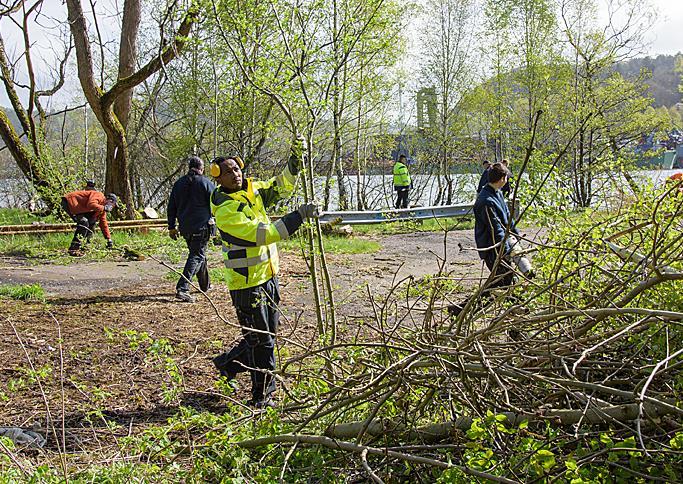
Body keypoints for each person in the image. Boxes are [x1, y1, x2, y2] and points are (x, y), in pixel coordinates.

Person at [210, 138, 318, 408]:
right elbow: (264, 235)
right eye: (228, 172)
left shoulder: (251, 191)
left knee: (264, 336)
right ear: (217, 178)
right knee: (262, 343)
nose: (236, 174)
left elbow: (281, 187)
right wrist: (298, 216)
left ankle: (227, 364)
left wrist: (295, 160)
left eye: (237, 169)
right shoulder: (226, 210)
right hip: (246, 284)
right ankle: (262, 397)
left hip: (268, 275)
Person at [167, 156, 216, 303]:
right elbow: (217, 203)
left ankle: (205, 285)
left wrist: (171, 227)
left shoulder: (178, 184)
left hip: (185, 228)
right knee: (197, 255)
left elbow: (171, 207)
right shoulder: (206, 183)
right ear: (202, 168)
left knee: (198, 254)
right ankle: (183, 288)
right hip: (201, 226)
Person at [61, 190, 117, 256]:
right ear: (109, 201)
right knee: (83, 223)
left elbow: (103, 224)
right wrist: (104, 208)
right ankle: (73, 249)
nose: (112, 207)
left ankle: (86, 247)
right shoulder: (99, 195)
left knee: (92, 222)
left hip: (79, 208)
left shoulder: (102, 210)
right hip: (70, 201)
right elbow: (91, 204)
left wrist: (108, 239)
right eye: (112, 205)